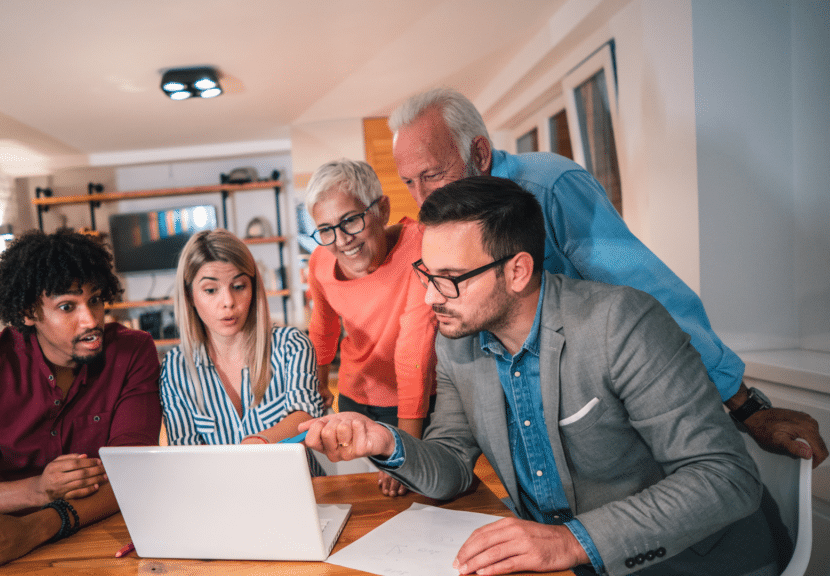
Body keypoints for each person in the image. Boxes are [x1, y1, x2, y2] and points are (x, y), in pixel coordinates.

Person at [302, 176, 781, 576]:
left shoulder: (622, 324)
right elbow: (450, 466)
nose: (429, 298)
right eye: (426, 275)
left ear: (517, 271)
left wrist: (570, 542)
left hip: (689, 563)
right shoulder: (459, 344)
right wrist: (387, 442)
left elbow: (725, 477)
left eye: (450, 279)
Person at [388, 87, 827, 466]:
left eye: (432, 174)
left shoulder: (549, 187)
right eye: (409, 181)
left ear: (479, 154)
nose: (422, 198)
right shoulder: (449, 222)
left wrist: (745, 406)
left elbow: (648, 294)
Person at [0, 228, 163, 568]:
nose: (91, 320)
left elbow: (134, 473)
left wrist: (32, 528)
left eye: (96, 300)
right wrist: (37, 491)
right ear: (29, 312)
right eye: (67, 306)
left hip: (99, 535)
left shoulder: (132, 351)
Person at [304, 159, 437, 496]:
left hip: (417, 401)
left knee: (417, 490)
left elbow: (414, 352)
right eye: (325, 229)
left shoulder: (421, 247)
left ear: (382, 209)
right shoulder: (320, 261)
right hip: (355, 397)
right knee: (364, 497)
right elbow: (323, 328)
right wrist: (319, 390)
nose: (341, 240)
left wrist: (406, 450)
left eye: (350, 220)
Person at [160, 229, 325, 474]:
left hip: (299, 493)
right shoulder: (175, 368)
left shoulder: (291, 345)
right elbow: (186, 457)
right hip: (222, 501)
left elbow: (305, 417)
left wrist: (256, 444)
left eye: (238, 286)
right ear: (189, 296)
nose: (228, 301)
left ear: (254, 289)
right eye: (210, 290)